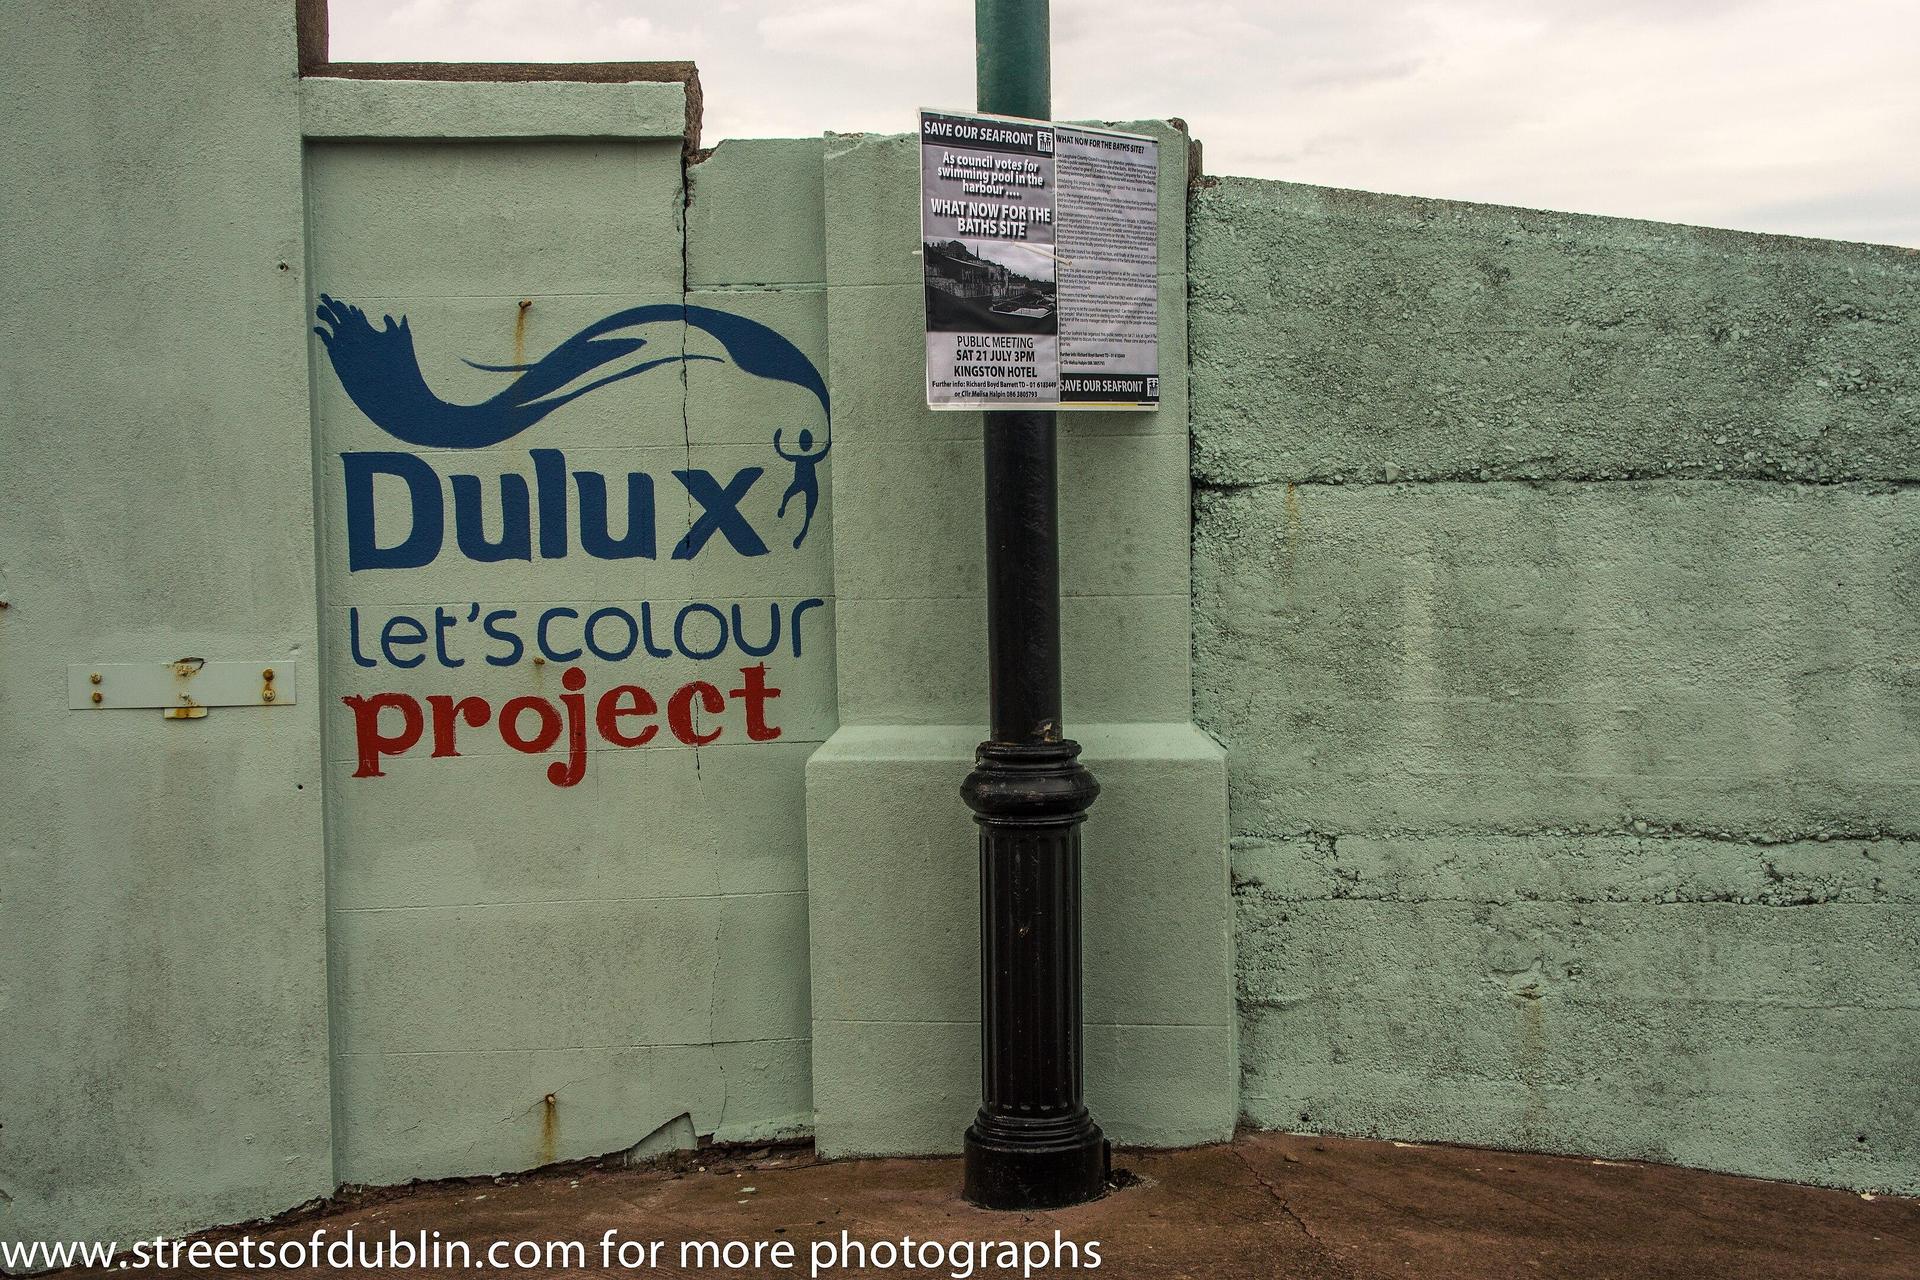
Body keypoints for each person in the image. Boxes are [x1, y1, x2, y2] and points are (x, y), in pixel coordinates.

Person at [774, 427, 829, 549]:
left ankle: (803, 529)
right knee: (787, 495)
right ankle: (783, 508)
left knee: (807, 509)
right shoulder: (806, 458)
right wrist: (776, 443)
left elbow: (783, 454)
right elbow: (784, 454)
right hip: (804, 483)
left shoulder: (805, 458)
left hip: (808, 484)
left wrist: (777, 443)